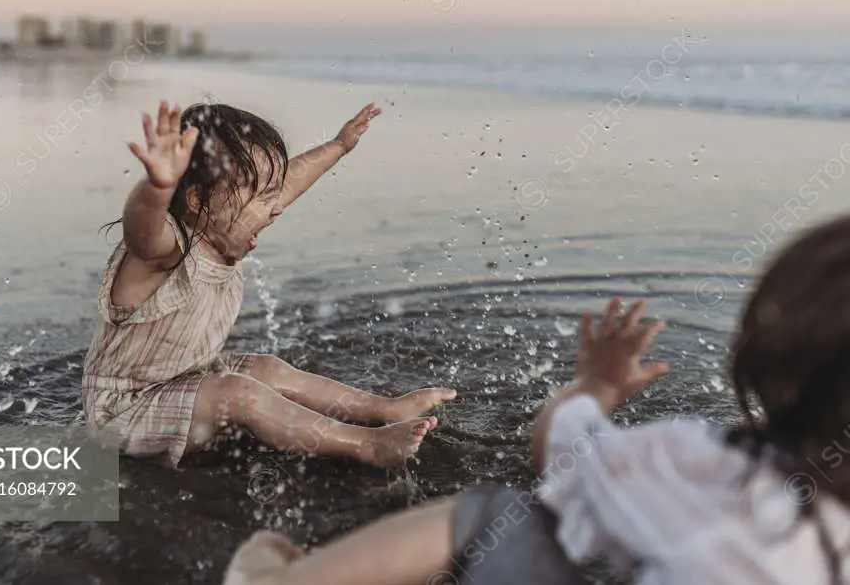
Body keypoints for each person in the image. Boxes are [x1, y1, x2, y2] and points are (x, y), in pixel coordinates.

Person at [224, 214, 850, 585]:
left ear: (767, 365)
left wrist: (597, 387)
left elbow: (558, 444)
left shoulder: (698, 462)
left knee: (500, 515)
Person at [82, 100, 457, 470]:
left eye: (272, 195)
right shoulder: (164, 252)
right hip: (126, 411)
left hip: (183, 381)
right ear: (197, 199)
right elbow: (140, 230)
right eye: (262, 198)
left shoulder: (221, 229)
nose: (276, 208)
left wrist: (339, 146)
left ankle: (385, 409)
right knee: (238, 393)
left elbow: (291, 181)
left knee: (265, 369)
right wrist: (156, 187)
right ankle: (367, 445)